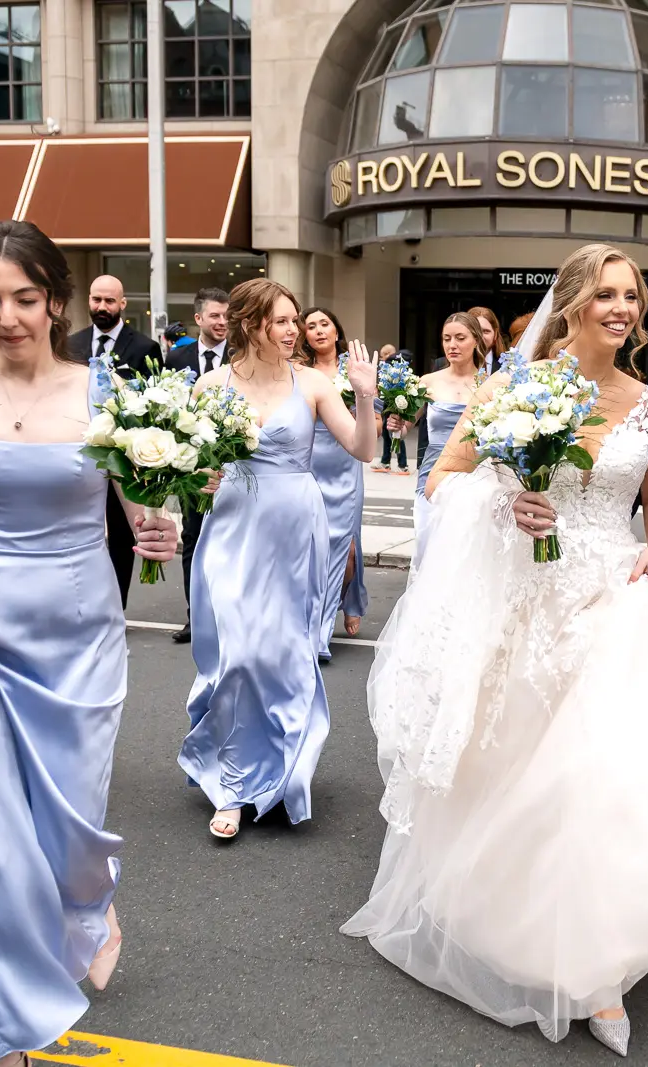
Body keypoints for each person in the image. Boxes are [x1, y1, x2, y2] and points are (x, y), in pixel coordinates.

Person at [346, 244, 648, 1057]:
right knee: (519, 776)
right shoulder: (514, 387)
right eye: (605, 294)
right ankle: (525, 932)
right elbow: (442, 479)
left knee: (602, 782)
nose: (621, 308)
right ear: (571, 303)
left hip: (615, 595)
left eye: (631, 295)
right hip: (527, 601)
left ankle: (599, 963)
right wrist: (505, 505)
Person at [0, 220, 178, 1067]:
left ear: (55, 299)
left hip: (81, 643)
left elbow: (141, 507)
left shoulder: (106, 390)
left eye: (23, 298)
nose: (6, 317)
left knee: (63, 838)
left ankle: (86, 899)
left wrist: (159, 526)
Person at [179, 279, 379, 842]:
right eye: (283, 321)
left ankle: (277, 771)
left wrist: (364, 396)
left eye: (296, 320)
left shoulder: (312, 383)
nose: (294, 331)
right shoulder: (212, 385)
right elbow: (192, 465)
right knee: (236, 654)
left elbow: (362, 448)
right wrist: (199, 476)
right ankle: (231, 782)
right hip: (232, 528)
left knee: (283, 653)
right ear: (250, 324)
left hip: (294, 529)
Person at [69, 275, 163, 610]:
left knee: (123, 535)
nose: (102, 307)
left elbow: (154, 405)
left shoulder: (144, 348)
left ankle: (115, 609)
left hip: (123, 456)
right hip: (80, 453)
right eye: (96, 299)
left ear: (122, 304)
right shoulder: (70, 345)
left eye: (109, 301)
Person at [299, 306, 370, 652]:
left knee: (347, 548)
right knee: (313, 546)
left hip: (345, 462)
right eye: (311, 326)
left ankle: (346, 600)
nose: (318, 330)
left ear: (336, 330)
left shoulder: (353, 369)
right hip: (309, 462)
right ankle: (317, 624)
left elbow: (374, 419)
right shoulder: (299, 372)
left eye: (324, 323)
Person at [165, 287, 232, 644]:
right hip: (191, 468)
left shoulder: (240, 356)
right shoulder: (177, 358)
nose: (222, 322)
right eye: (215, 316)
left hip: (234, 468)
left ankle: (228, 618)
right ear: (198, 319)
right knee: (192, 538)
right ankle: (196, 618)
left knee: (231, 540)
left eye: (226, 316)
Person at [399, 312, 485, 567]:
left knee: (466, 555)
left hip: (474, 475)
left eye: (460, 338)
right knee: (428, 549)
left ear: (476, 340)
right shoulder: (428, 382)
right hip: (433, 475)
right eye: (447, 339)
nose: (452, 345)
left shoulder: (489, 384)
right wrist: (395, 424)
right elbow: (404, 428)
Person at [372, 343, 410, 475]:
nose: (381, 359)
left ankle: (402, 464)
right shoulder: (387, 367)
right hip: (386, 405)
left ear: (388, 354)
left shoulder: (397, 366)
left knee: (395, 433)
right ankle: (385, 461)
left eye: (382, 356)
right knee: (386, 433)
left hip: (394, 405)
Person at [467, 305, 504, 371]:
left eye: (486, 331)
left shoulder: (507, 366)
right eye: (475, 331)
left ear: (495, 334)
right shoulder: (452, 365)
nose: (480, 336)